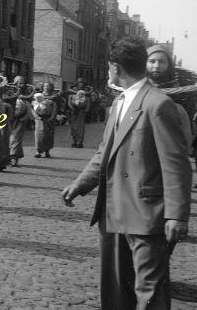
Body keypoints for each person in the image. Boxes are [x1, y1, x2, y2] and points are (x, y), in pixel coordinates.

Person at [61, 36, 192, 310]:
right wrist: (80, 184)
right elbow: (104, 152)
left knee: (150, 291)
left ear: (115, 67)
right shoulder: (119, 104)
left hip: (147, 215)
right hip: (113, 211)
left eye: (110, 67)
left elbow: (176, 163)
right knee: (116, 288)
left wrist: (177, 215)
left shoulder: (159, 105)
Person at [9, 80, 33, 167]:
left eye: (22, 83)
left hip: (20, 120)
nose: (21, 85)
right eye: (19, 83)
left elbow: (29, 106)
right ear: (15, 84)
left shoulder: (26, 95)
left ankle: (14, 158)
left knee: (16, 138)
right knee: (8, 138)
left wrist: (25, 117)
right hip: (9, 119)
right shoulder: (9, 92)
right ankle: (10, 157)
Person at [31, 92, 57, 158]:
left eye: (47, 95)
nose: (46, 96)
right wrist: (36, 116)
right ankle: (38, 151)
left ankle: (47, 151)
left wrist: (51, 118)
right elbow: (32, 110)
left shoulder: (52, 102)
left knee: (48, 135)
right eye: (44, 95)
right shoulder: (34, 102)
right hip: (39, 120)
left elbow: (54, 111)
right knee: (38, 136)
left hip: (48, 120)